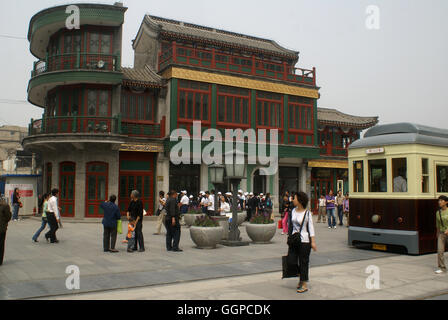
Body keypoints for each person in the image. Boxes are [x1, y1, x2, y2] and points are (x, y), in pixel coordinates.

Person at [287, 191, 317, 293]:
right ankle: (300, 277)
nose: (292, 200)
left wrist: (313, 242)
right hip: (294, 240)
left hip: (304, 241)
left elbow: (311, 228)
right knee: (291, 261)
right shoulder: (293, 211)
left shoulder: (307, 213)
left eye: (294, 198)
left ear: (300, 200)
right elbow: (290, 226)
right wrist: (289, 237)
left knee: (304, 262)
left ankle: (303, 283)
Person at [435, 195, 448, 274]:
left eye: (441, 200)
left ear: (446, 202)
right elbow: (438, 225)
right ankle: (442, 268)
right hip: (442, 234)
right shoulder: (438, 212)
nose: (439, 202)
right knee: (440, 251)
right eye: (439, 200)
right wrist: (437, 234)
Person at [0, 196, 12, 265]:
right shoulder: (4, 205)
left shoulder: (4, 205)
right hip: (2, 228)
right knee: (1, 244)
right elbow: (8, 216)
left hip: (2, 228)